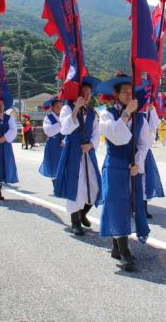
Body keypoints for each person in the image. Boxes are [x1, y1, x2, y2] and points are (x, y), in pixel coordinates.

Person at [97, 74, 151, 272]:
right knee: (117, 205)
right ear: (115, 94)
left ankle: (116, 245)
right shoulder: (106, 114)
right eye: (125, 92)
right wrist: (127, 113)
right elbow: (117, 137)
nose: (129, 95)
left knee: (131, 205)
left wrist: (138, 162)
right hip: (114, 165)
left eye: (131, 91)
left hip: (132, 167)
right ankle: (124, 250)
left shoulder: (141, 117)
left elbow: (145, 143)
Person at [53, 77, 102, 236]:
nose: (87, 96)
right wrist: (76, 109)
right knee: (75, 186)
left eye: (89, 93)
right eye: (84, 93)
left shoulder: (93, 112)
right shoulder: (67, 109)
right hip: (73, 151)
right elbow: (65, 129)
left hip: (88, 151)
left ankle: (83, 213)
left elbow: (96, 132)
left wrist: (91, 144)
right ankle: (75, 222)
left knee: (94, 185)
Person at [39, 98, 64, 187]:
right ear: (52, 107)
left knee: (64, 165)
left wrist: (64, 140)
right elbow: (48, 131)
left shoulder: (65, 117)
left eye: (61, 105)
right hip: (53, 145)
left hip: (64, 144)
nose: (59, 107)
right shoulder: (48, 118)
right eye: (57, 105)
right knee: (54, 165)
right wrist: (60, 124)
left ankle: (62, 187)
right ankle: (56, 186)